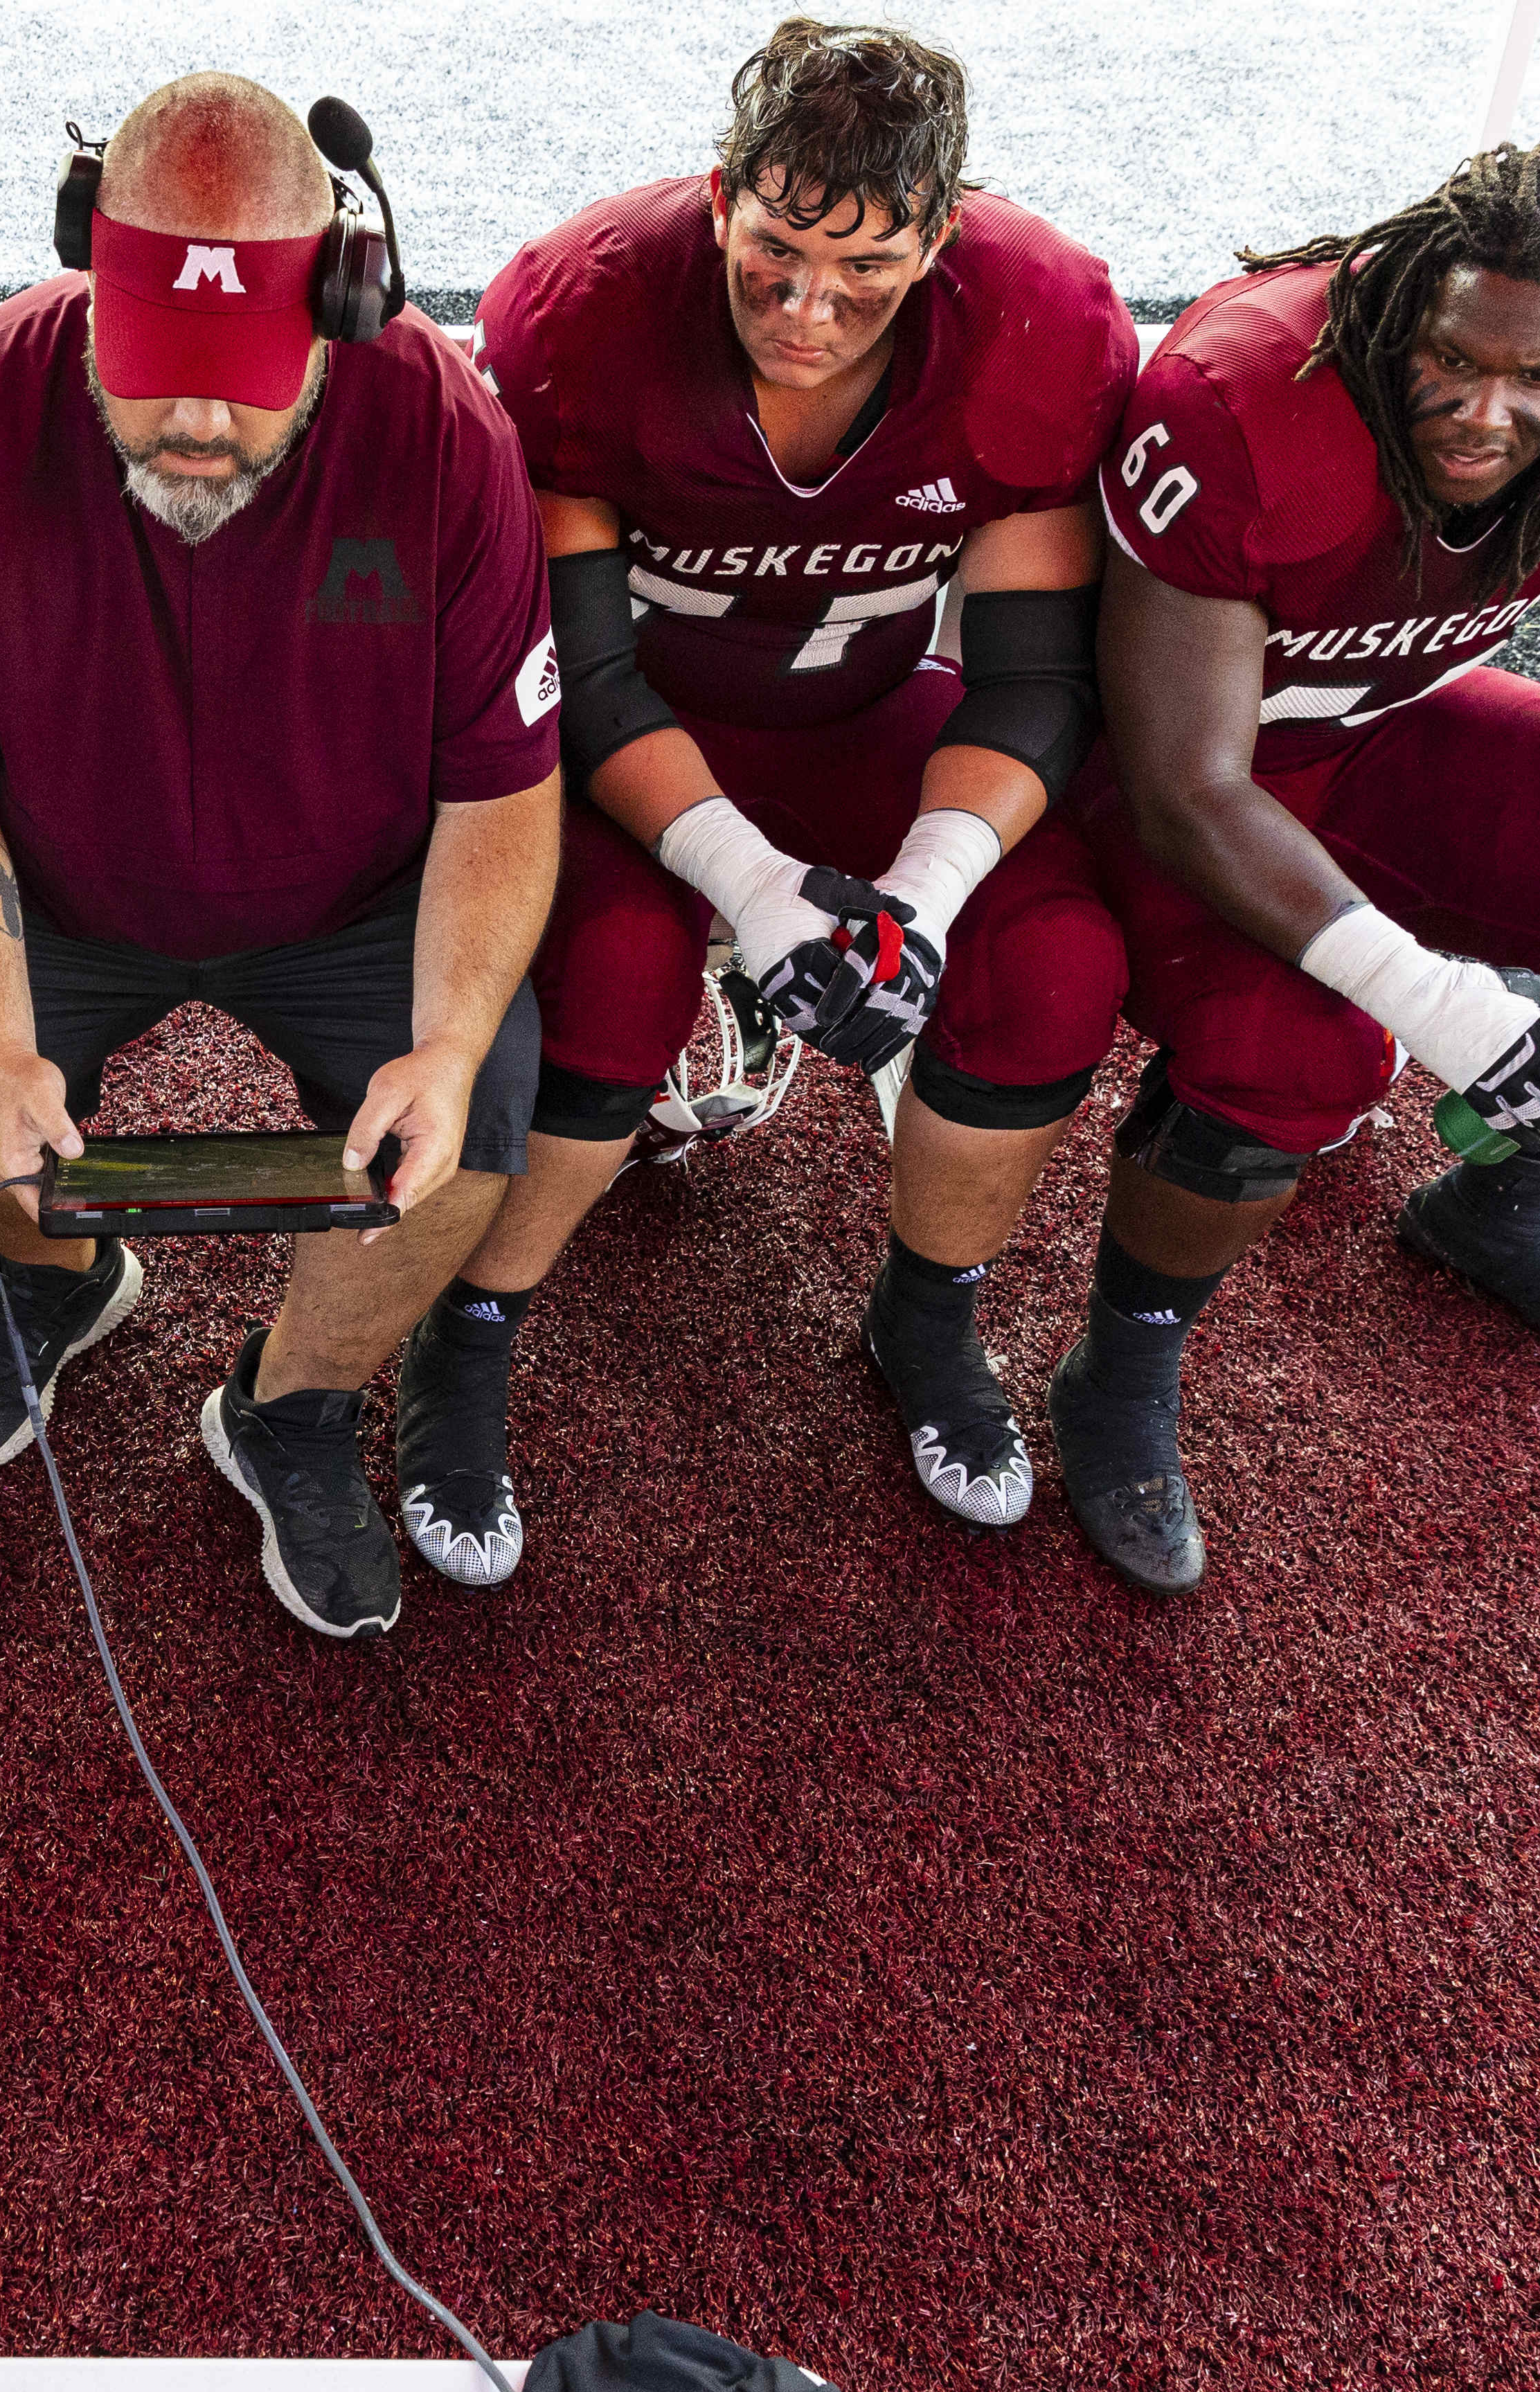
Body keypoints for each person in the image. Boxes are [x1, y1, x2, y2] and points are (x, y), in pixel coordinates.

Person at [0, 71, 563, 1639]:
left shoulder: (448, 433)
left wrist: (445, 1049)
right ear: (85, 281)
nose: (193, 424)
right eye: (156, 372)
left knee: (482, 1127)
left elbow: (504, 795)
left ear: (342, 303)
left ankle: (289, 1402)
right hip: (62, 886)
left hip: (349, 900)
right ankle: (59, 1277)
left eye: (241, 381)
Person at [449, 19, 1145, 1582]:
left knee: (1051, 969)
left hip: (867, 714)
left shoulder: (1033, 324)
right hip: (638, 739)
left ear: (943, 239)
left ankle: (928, 1310)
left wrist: (924, 895)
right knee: (618, 975)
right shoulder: (592, 311)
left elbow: (1034, 677)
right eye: (774, 249)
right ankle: (473, 1327)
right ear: (718, 200)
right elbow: (585, 671)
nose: (809, 307)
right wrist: (758, 893)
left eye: (867, 272)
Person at [1062, 136, 1540, 1593]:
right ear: (1394, 317)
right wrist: (1449, 1011)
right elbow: (1191, 789)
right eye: (1450, 359)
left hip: (1372, 731)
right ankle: (1121, 1369)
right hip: (1154, 772)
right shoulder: (1247, 395)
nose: (1484, 412)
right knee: (1295, 1049)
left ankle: (1495, 1203)